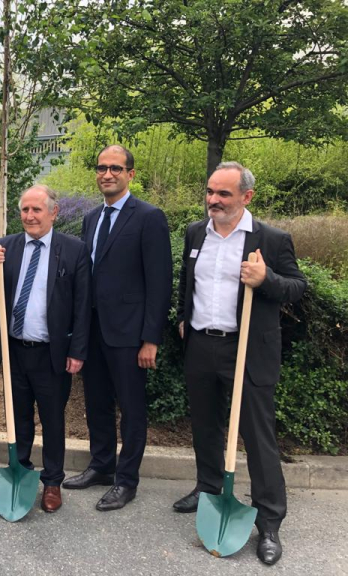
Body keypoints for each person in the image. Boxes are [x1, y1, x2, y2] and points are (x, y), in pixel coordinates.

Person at [174, 162, 306, 566]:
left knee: (257, 433)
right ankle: (209, 488)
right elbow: (187, 280)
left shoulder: (270, 239)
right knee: (205, 424)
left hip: (247, 347)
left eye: (223, 194)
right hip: (202, 344)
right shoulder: (196, 233)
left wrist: (266, 279)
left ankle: (268, 521)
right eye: (210, 192)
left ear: (246, 197)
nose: (213, 200)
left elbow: (298, 289)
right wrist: (183, 318)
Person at [63, 145, 172, 511]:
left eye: (115, 168)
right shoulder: (91, 218)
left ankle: (126, 481)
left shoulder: (149, 217)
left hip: (129, 334)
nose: (107, 174)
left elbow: (160, 282)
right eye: (101, 168)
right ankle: (102, 465)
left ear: (130, 174)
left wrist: (151, 339)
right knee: (95, 404)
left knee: (131, 409)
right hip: (92, 331)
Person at [0, 185, 90, 513]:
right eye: (25, 210)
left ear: (53, 213)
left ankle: (53, 481)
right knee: (18, 417)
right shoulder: (6, 246)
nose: (29, 216)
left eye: (36, 210)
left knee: (53, 419)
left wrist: (78, 350)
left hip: (51, 352)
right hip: (14, 349)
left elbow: (83, 306)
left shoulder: (73, 250)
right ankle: (20, 470)